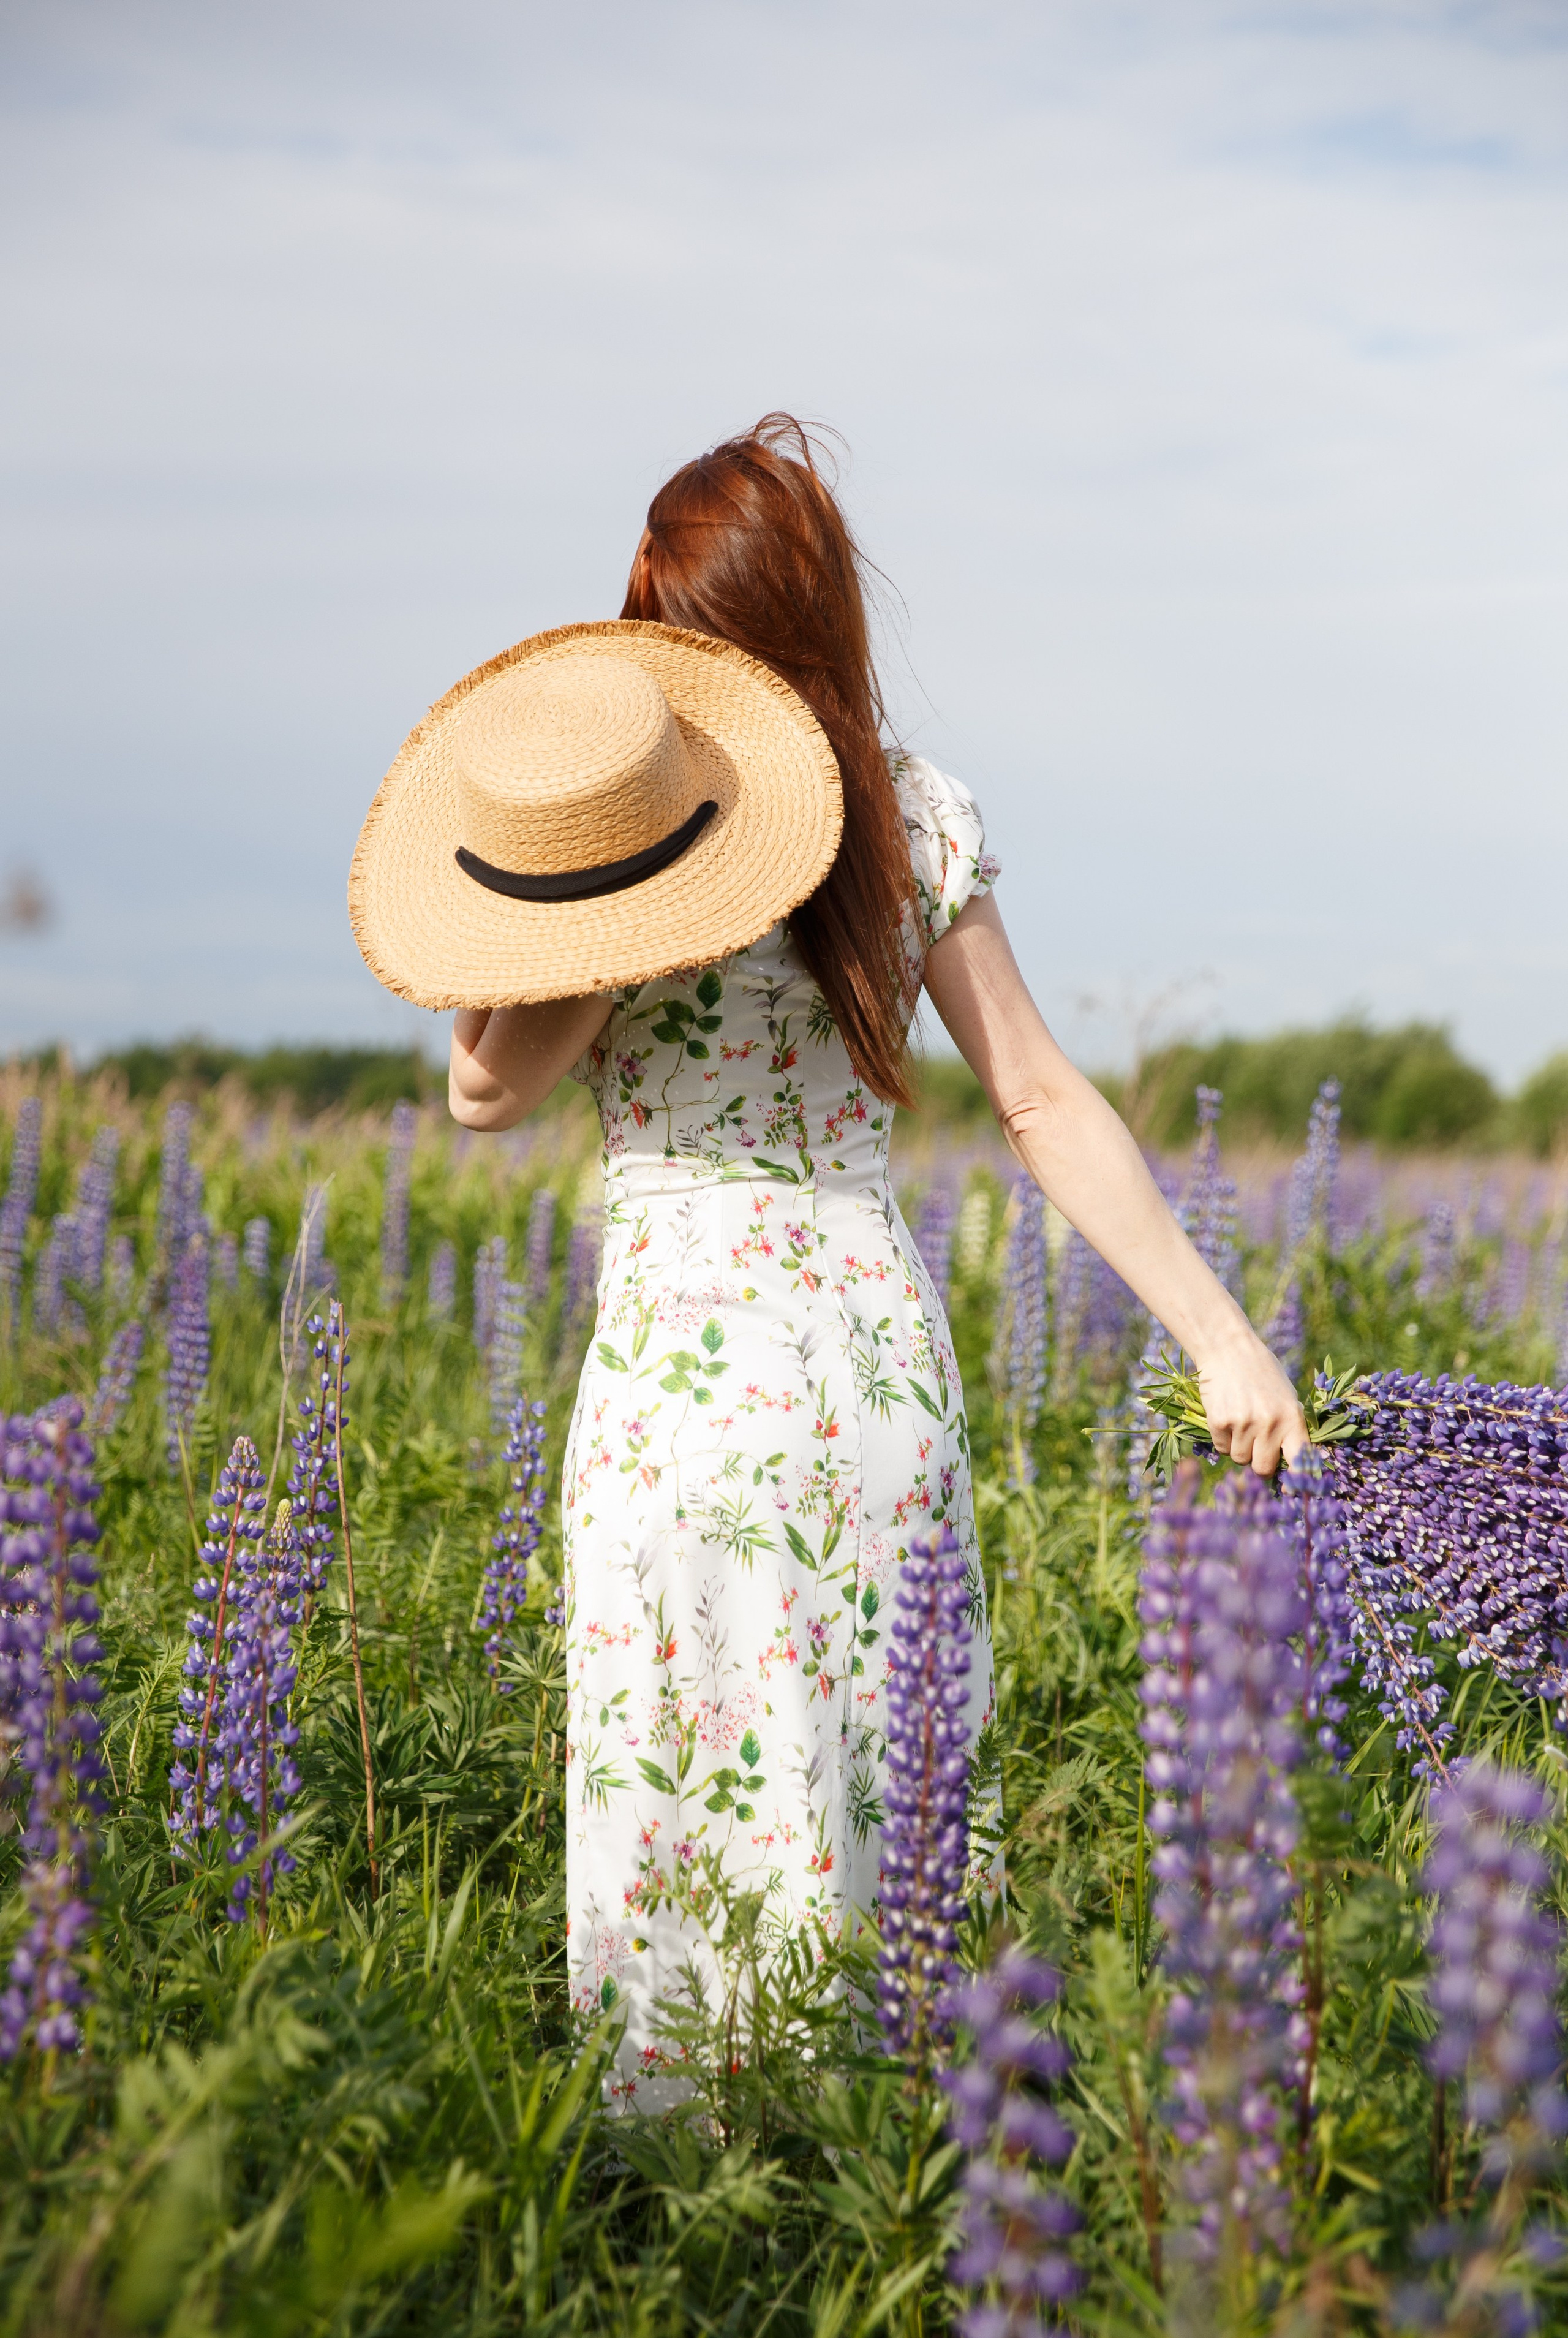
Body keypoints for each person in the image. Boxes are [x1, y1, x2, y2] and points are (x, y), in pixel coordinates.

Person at [349, 414, 1306, 2108]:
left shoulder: (677, 834)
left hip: (682, 1387)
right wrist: (1220, 1334)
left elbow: (480, 1092)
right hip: (868, 1357)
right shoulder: (921, 812)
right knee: (882, 1767)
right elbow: (1037, 1091)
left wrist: (597, 889)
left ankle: (706, 2193)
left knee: (688, 1765)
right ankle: (893, 2161)